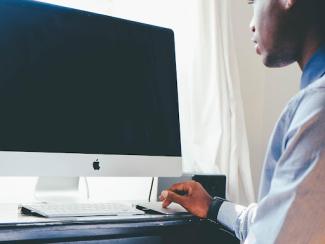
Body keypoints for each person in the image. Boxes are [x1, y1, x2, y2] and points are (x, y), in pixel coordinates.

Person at [159, 0, 325, 243]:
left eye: (253, 2)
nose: (250, 24)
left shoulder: (317, 110)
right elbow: (277, 223)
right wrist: (213, 206)